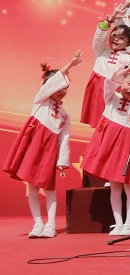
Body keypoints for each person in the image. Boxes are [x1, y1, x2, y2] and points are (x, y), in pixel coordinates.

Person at [3, 51, 82, 238]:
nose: (63, 90)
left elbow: (64, 139)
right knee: (32, 186)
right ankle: (38, 223)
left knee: (49, 188)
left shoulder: (65, 115)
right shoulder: (40, 100)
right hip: (33, 147)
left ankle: (51, 225)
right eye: (59, 86)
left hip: (49, 151)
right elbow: (52, 84)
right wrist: (70, 65)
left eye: (66, 88)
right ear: (49, 86)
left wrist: (62, 161)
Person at [80, 65, 130, 236]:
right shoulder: (112, 97)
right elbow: (109, 83)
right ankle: (118, 223)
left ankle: (128, 223)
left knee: (129, 186)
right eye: (129, 83)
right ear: (122, 82)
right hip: (109, 145)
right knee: (115, 186)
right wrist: (123, 72)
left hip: (126, 148)